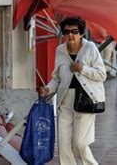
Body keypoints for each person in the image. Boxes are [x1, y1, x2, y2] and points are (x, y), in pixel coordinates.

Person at [39, 17, 106, 165]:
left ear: (81, 34)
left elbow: (102, 74)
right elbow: (56, 78)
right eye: (67, 31)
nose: (70, 35)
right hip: (65, 100)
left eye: (74, 32)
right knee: (63, 146)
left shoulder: (90, 48)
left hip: (86, 99)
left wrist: (82, 69)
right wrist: (48, 88)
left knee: (80, 144)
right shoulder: (60, 50)